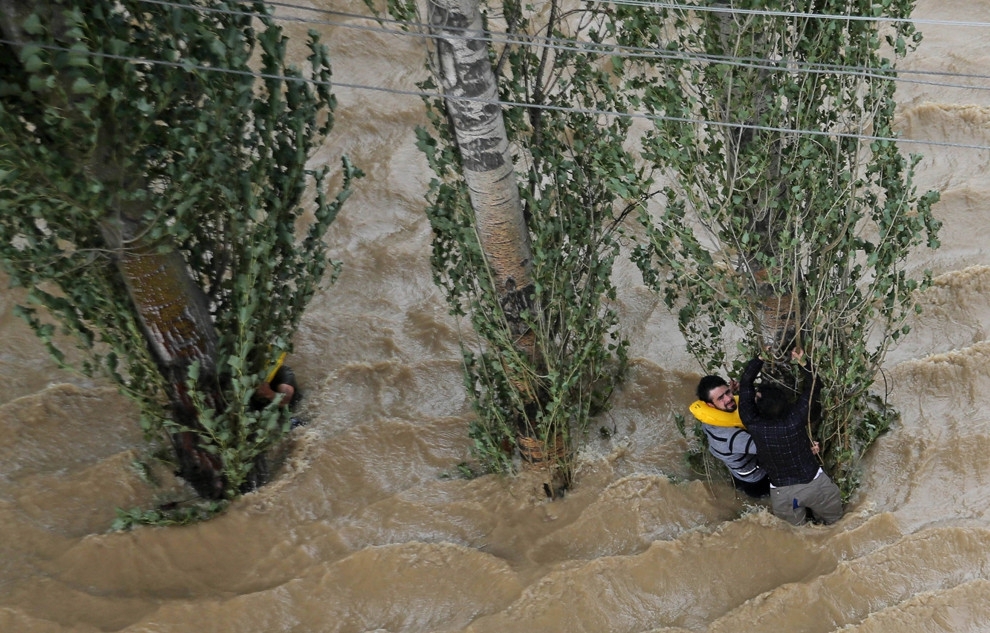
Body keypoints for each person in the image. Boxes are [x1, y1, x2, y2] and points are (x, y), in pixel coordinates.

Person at [738, 349, 843, 526]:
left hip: (784, 494)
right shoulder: (795, 419)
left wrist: (760, 359)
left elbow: (746, 383)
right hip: (815, 484)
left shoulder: (753, 424)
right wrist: (803, 363)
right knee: (836, 525)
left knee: (796, 536)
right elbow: (815, 386)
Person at [690, 375, 770, 498]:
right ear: (710, 405)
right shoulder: (731, 437)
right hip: (756, 479)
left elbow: (725, 409)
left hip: (737, 470)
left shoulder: (708, 419)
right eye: (721, 398)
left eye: (727, 392)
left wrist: (733, 391)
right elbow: (770, 447)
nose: (728, 398)